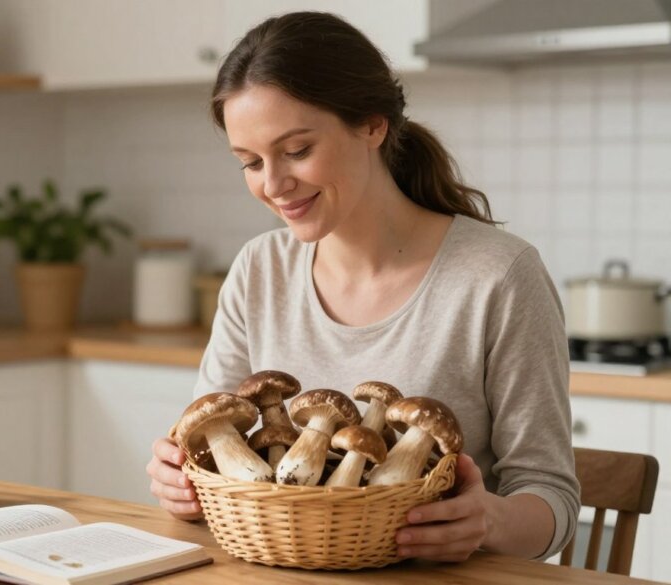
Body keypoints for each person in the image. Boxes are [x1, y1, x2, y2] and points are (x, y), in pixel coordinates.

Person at [145, 11, 580, 563]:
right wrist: (177, 482)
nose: (273, 185)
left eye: (297, 151)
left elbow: (553, 502)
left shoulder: (498, 276)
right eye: (250, 163)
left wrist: (487, 519)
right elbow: (206, 449)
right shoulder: (259, 270)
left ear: (373, 126)